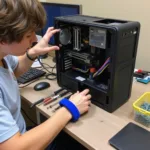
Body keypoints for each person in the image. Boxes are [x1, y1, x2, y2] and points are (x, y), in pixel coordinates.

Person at [0, 0, 91, 150]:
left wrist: (32, 54)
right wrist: (70, 108)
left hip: (20, 134)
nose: (35, 39)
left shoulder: (3, 54)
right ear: (3, 39)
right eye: (29, 35)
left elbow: (14, 69)